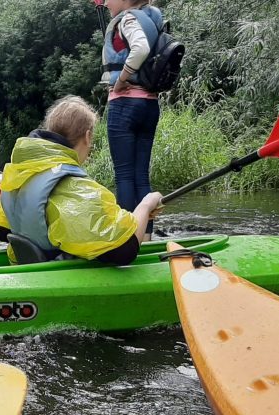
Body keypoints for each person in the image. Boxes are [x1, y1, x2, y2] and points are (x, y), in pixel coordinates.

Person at [0, 96, 162, 264]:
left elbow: (1, 230)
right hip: (57, 278)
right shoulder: (75, 188)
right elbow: (125, 250)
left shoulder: (20, 174)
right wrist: (146, 206)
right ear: (87, 137)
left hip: (30, 270)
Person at [101, 0, 165, 240]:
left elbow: (140, 48)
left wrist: (121, 80)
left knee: (125, 176)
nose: (106, 2)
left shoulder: (128, 18)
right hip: (149, 105)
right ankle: (145, 238)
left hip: (125, 103)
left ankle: (129, 239)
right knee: (140, 176)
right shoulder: (153, 18)